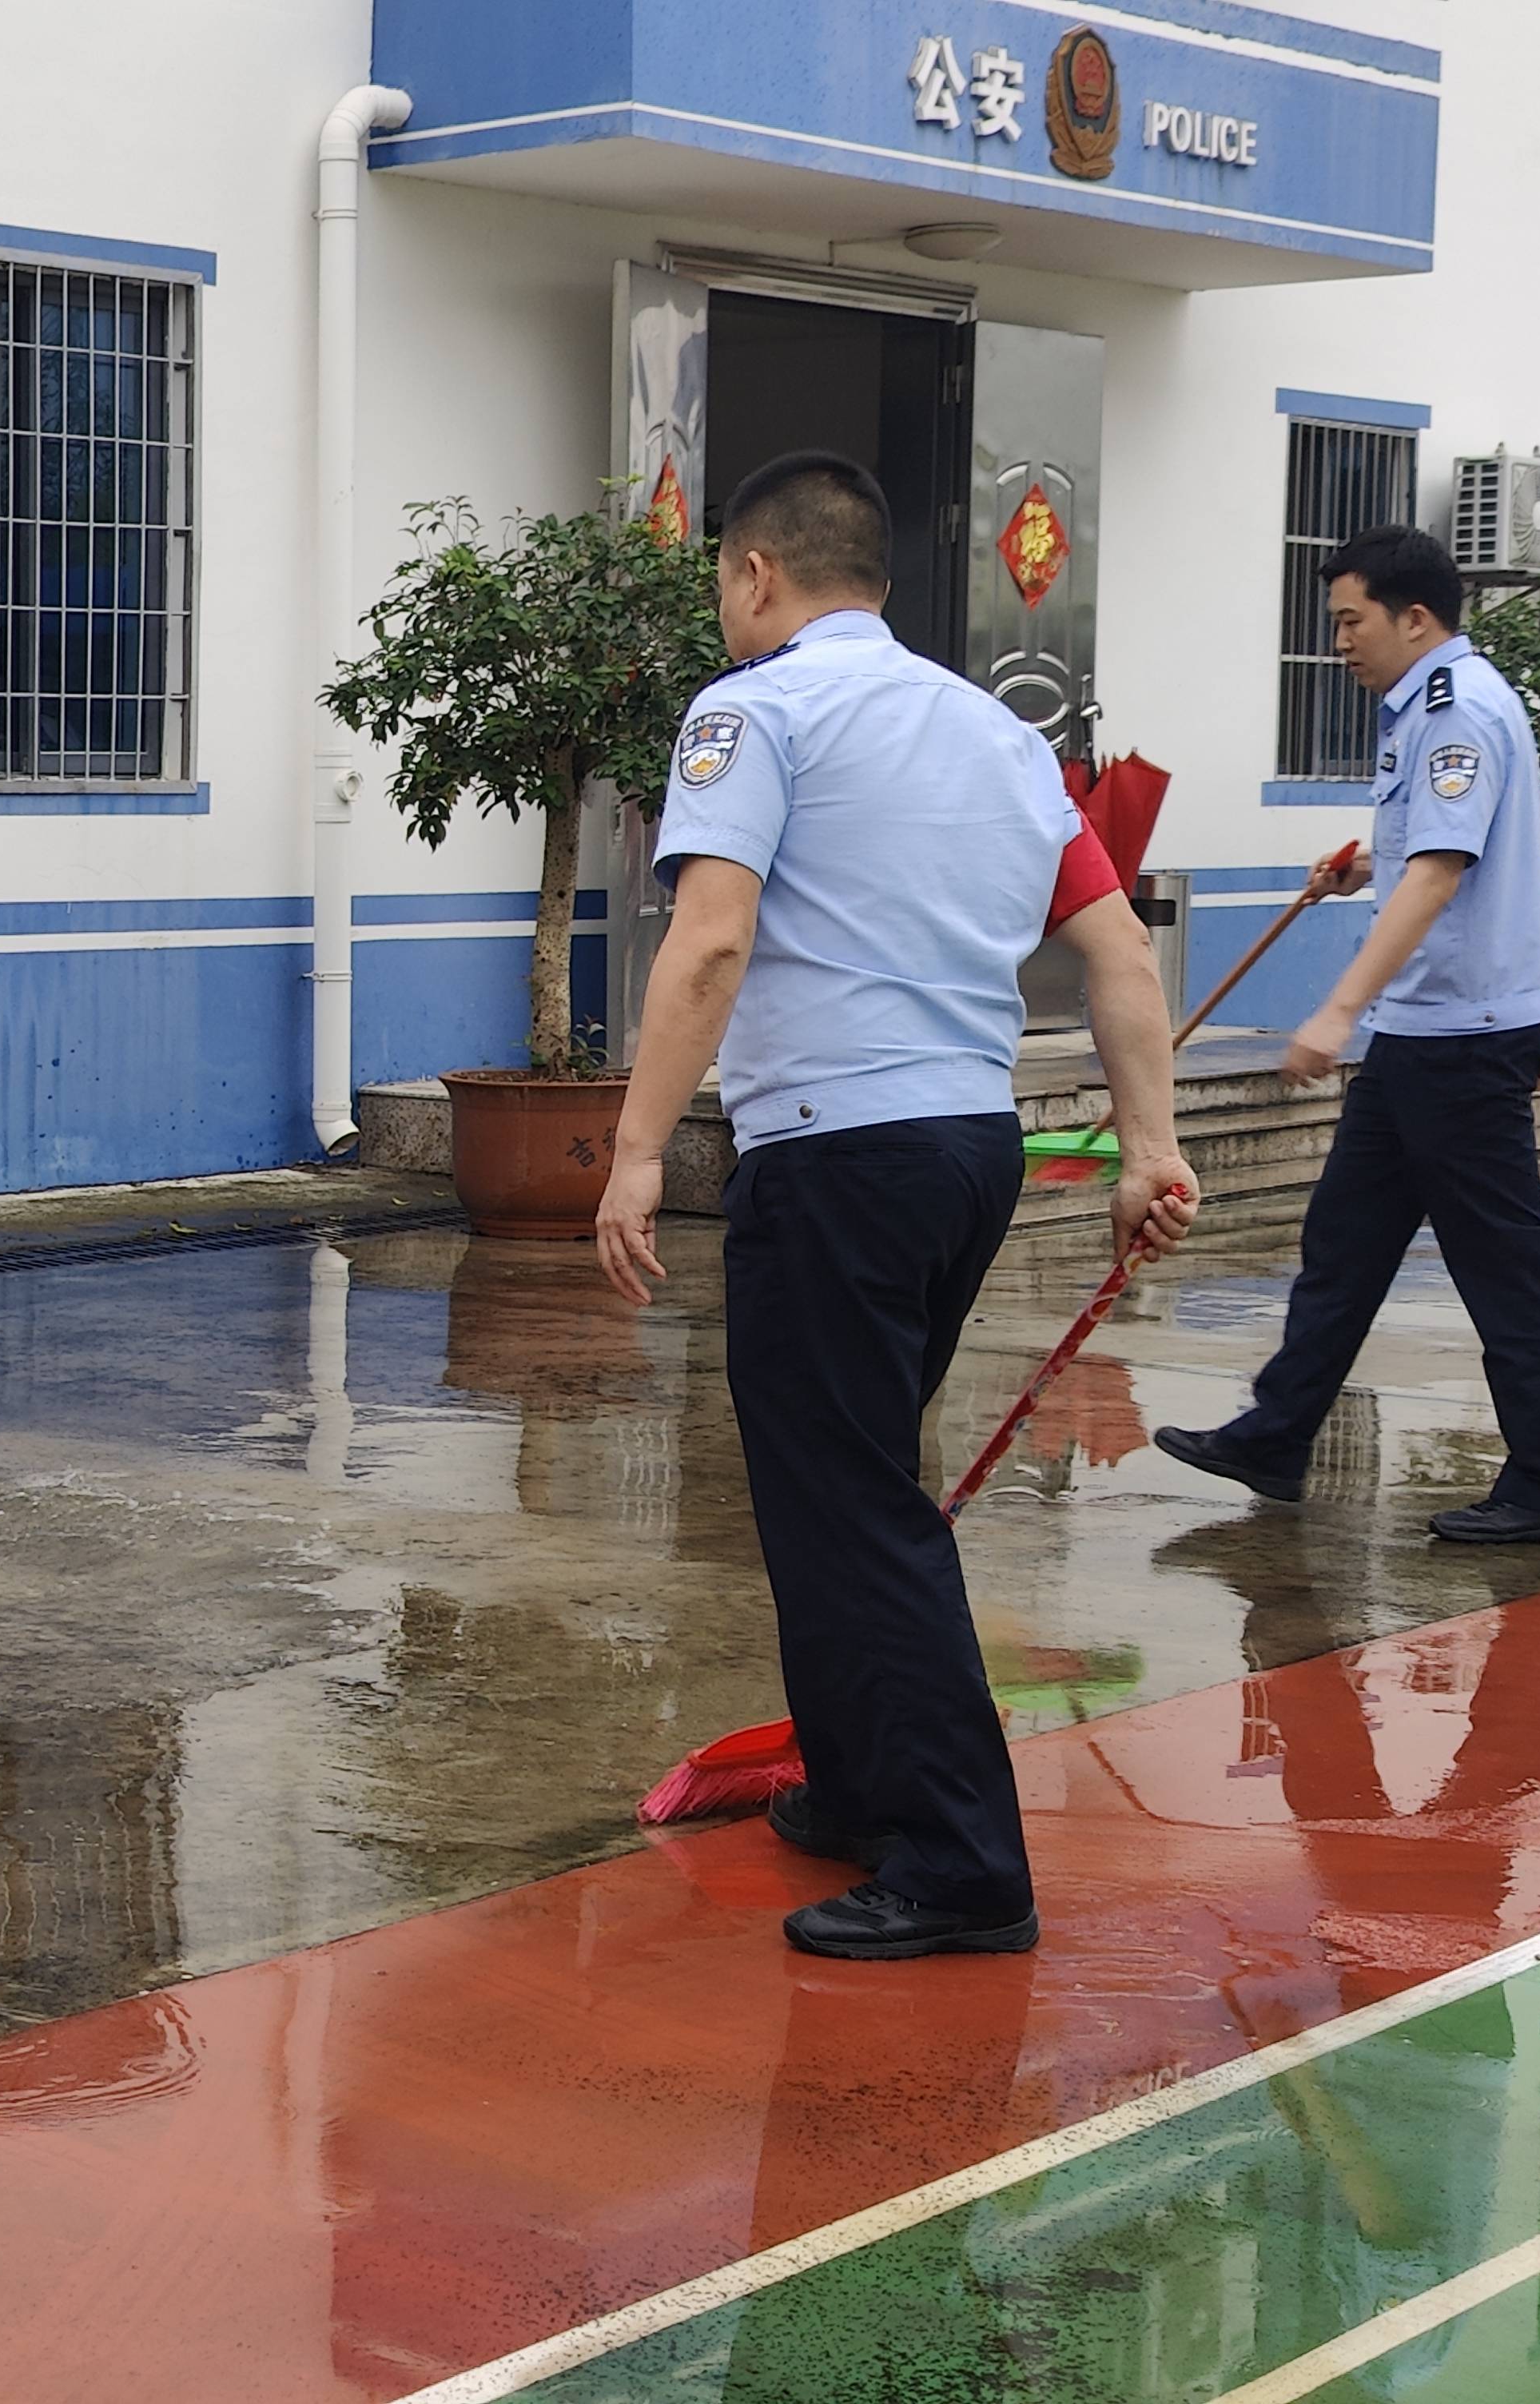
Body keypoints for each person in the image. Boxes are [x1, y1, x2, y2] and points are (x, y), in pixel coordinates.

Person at [593, 451, 1197, 1962]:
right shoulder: (1000, 734)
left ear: (753, 574)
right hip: (963, 1154)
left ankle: (962, 1859)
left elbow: (709, 945)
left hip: (838, 1155)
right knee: (839, 1480)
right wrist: (1149, 1147)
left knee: (853, 1501)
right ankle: (860, 1782)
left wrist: (635, 1148)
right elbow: (1119, 954)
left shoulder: (753, 710)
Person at [1154, 526, 1540, 1546]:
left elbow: (1440, 874)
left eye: (1350, 621)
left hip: (1462, 1036)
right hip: (1426, 1030)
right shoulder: (1427, 707)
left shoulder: (1455, 715)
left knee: (1502, 1261)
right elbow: (1432, 857)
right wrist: (1365, 871)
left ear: (1414, 617)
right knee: (1344, 1243)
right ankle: (1275, 1434)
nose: (1340, 642)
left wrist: (1336, 1007)